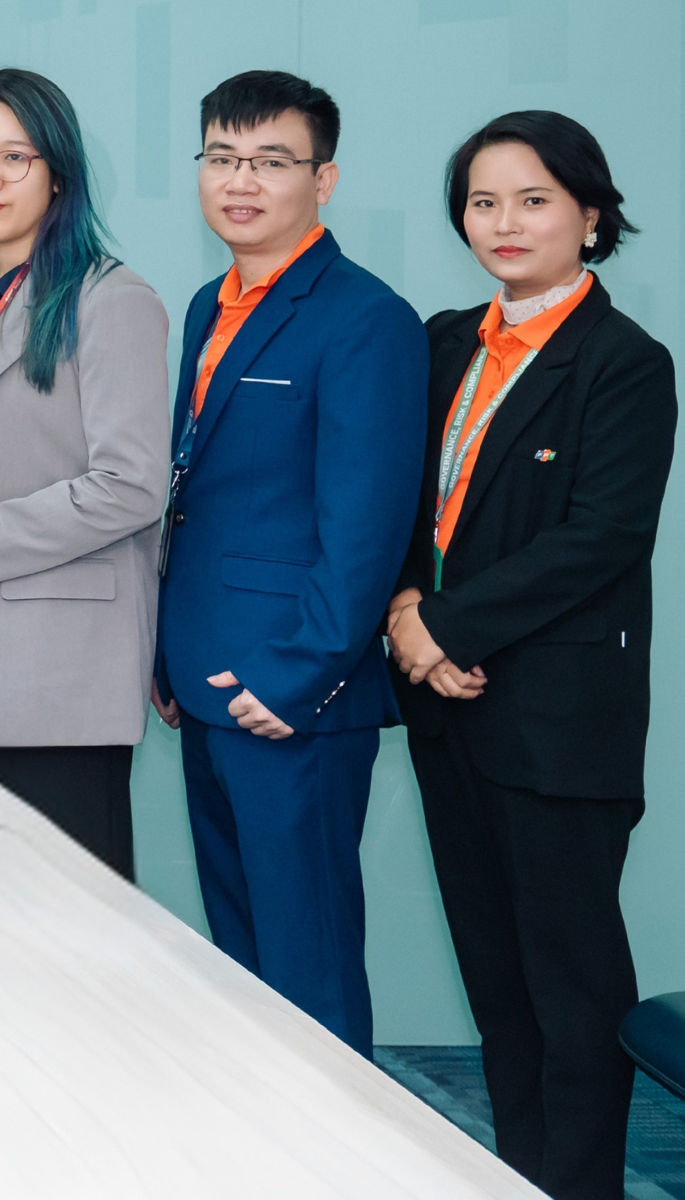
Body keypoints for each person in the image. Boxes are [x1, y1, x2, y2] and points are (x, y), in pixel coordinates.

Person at [384, 112, 673, 1200]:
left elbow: (602, 537)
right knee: (497, 984)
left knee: (572, 987)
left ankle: (583, 1185)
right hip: (448, 704)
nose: (504, 222)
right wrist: (408, 610)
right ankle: (518, 1177)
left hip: (558, 722)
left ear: (591, 217)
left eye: (535, 200)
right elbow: (406, 502)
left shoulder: (627, 363)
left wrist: (450, 628)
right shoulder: (444, 341)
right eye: (483, 202)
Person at [157, 70, 425, 1055]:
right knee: (242, 964)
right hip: (207, 676)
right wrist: (167, 653)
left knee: (308, 968)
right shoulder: (208, 304)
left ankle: (341, 1141)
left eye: (271, 161)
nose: (241, 181)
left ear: (325, 178)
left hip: (289, 691)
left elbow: (367, 523)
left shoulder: (365, 318)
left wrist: (300, 675)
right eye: (222, 158)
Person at [0, 68, 167, 879]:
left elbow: (131, 484)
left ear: (58, 171)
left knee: (65, 932)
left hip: (57, 685)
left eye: (14, 157)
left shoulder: (111, 299)